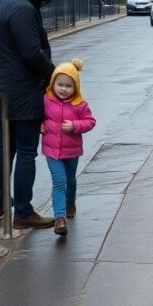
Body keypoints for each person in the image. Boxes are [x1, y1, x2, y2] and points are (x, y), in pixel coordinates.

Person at [0, 0, 57, 230]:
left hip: (5, 88)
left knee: (6, 149)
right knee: (26, 151)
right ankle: (24, 211)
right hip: (25, 92)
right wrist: (56, 76)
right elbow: (32, 54)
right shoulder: (22, 7)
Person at [41, 59, 96, 236]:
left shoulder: (80, 105)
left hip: (71, 150)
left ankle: (70, 200)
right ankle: (59, 218)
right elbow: (39, 116)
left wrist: (75, 125)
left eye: (68, 86)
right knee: (59, 181)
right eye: (60, 84)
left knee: (70, 180)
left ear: (76, 87)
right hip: (52, 151)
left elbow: (90, 122)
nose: (63, 89)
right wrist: (39, 124)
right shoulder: (46, 100)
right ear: (53, 83)